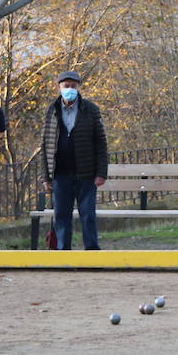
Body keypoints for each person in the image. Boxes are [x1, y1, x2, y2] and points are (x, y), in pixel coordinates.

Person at [37, 71, 108, 250]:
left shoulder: (90, 109)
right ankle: (63, 252)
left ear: (79, 87)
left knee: (88, 215)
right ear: (59, 87)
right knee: (61, 216)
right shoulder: (52, 110)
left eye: (73, 86)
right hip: (60, 174)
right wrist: (46, 177)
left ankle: (92, 252)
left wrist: (101, 173)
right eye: (66, 86)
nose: (69, 89)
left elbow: (101, 143)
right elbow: (45, 145)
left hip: (86, 173)